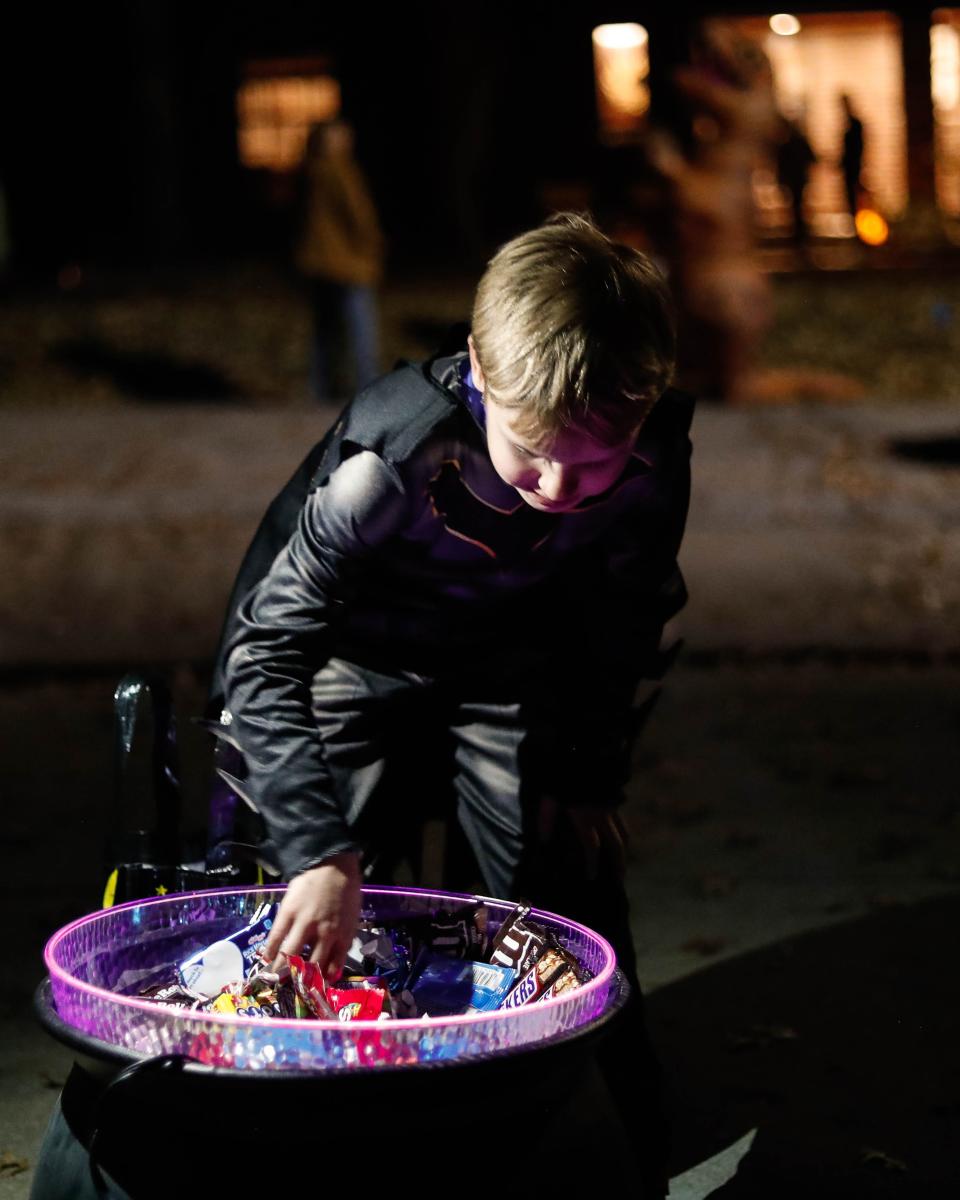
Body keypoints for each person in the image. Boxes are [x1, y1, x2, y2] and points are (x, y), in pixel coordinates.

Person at [217, 213, 692, 1195]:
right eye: (534, 455)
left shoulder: (651, 457)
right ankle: (311, 1132)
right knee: (320, 909)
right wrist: (315, 846)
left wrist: (586, 763)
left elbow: (623, 608)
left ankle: (569, 1129)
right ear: (478, 369)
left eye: (597, 462)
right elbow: (265, 650)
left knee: (550, 892)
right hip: (353, 654)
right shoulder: (390, 462)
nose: (564, 488)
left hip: (505, 662)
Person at [295, 119, 384, 401]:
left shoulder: (309, 171)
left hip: (318, 263)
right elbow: (359, 215)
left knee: (325, 328)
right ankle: (367, 386)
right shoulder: (340, 170)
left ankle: (320, 386)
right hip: (348, 263)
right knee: (361, 326)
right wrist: (373, 245)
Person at [840, 94, 864, 223]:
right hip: (849, 167)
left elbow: (858, 148)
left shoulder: (855, 124)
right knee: (849, 197)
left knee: (856, 197)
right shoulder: (847, 124)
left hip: (854, 167)